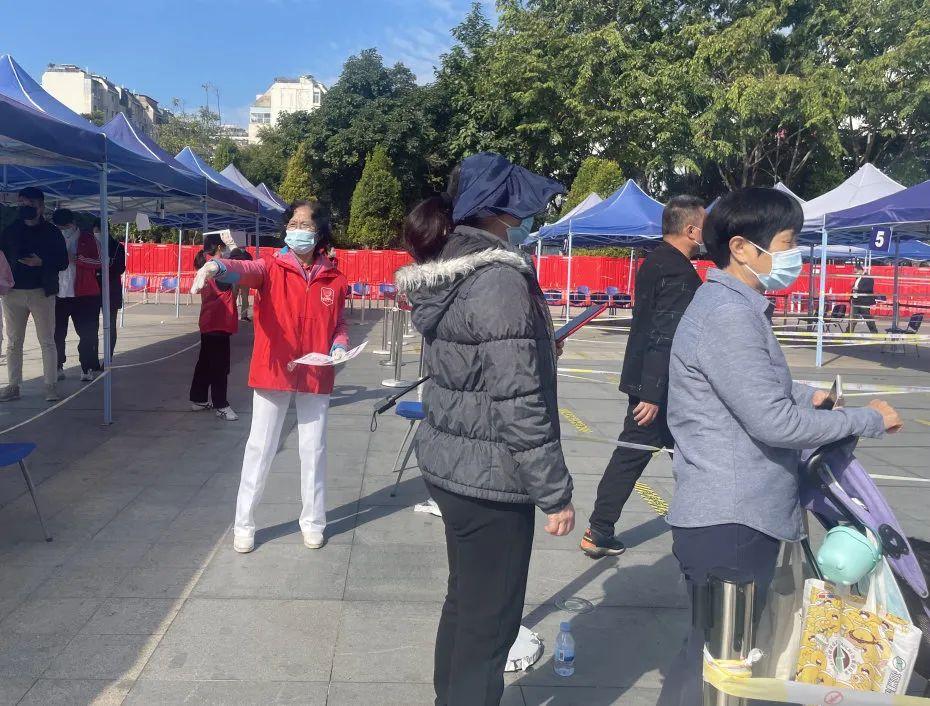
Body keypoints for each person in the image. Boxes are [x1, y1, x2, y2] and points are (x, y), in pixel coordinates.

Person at [657, 187, 903, 706]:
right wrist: (869, 420)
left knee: (713, 658)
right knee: (718, 666)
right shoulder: (728, 314)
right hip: (732, 519)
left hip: (735, 516)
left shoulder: (733, 306)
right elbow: (774, 422)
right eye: (788, 243)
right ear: (741, 247)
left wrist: (807, 394)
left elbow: (752, 383)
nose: (796, 256)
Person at [395, 152, 575, 706]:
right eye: (519, 208)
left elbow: (476, 361)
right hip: (491, 475)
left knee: (466, 605)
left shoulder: (454, 268)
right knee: (490, 622)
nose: (525, 219)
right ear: (500, 212)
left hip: (455, 464)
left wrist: (536, 348)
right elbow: (517, 399)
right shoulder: (498, 278)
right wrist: (554, 492)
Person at [191, 200, 349, 554]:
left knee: (314, 449)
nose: (296, 230)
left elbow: (339, 322)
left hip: (315, 371)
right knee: (260, 447)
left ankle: (313, 521)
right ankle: (244, 523)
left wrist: (340, 344)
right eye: (292, 223)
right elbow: (244, 269)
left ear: (320, 233)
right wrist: (216, 266)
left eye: (304, 225)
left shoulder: (334, 278)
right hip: (274, 367)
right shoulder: (271, 267)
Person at [581, 195, 706, 559]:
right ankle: (600, 529)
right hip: (661, 389)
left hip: (650, 381)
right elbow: (665, 334)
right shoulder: (678, 272)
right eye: (704, 227)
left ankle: (603, 528)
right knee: (638, 454)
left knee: (662, 454)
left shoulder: (655, 261)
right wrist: (651, 393)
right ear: (690, 230)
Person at [0, 187, 68, 402]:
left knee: (47, 341)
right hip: (13, 293)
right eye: (21, 204)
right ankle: (13, 385)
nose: (24, 207)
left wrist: (42, 262)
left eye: (29, 204)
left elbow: (63, 262)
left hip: (42, 292)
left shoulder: (52, 232)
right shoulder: (10, 231)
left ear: (41, 206)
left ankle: (50, 386)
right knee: (13, 342)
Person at [190, 234, 239, 421]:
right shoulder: (218, 269)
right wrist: (234, 248)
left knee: (205, 362)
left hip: (209, 321)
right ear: (219, 247)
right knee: (220, 366)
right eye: (224, 246)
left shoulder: (206, 266)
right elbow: (240, 270)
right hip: (219, 323)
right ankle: (221, 405)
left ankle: (199, 398)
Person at [52, 209, 102, 382]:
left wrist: (77, 259)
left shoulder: (89, 239)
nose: (63, 230)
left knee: (87, 334)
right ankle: (57, 366)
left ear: (73, 223)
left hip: (84, 295)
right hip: (58, 294)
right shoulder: (53, 237)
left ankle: (86, 367)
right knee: (57, 334)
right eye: (59, 227)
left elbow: (100, 262)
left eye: (65, 227)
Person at [92, 219, 126, 361]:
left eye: (99, 231)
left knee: (110, 324)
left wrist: (108, 264)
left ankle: (108, 356)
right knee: (92, 326)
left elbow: (121, 268)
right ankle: (92, 358)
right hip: (93, 290)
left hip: (111, 290)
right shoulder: (91, 244)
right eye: (95, 231)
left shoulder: (117, 247)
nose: (97, 234)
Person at [850, 262, 878, 334]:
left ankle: (874, 331)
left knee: (867, 317)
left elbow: (869, 288)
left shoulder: (868, 278)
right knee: (853, 318)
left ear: (860, 270)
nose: (855, 273)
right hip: (856, 300)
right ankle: (849, 331)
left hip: (864, 301)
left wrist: (857, 289)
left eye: (856, 272)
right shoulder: (858, 278)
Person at [229, 247, 253, 321]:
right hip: (238, 277)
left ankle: (240, 315)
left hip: (241, 277)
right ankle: (233, 314)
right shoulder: (236, 252)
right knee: (235, 297)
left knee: (242, 298)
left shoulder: (246, 255)